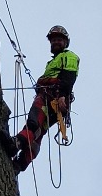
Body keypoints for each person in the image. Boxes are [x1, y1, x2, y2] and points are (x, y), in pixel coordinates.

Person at [9, 25, 78, 173]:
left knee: (34, 123)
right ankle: (20, 164)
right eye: (53, 40)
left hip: (52, 97)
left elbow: (69, 78)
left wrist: (62, 97)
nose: (55, 42)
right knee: (39, 130)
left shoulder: (69, 56)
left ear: (66, 42)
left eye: (59, 40)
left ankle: (15, 145)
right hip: (52, 98)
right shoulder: (54, 61)